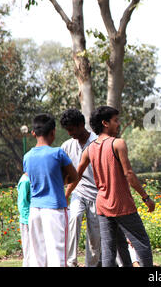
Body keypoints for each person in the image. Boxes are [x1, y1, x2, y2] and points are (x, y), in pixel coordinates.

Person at [76, 106, 155, 267]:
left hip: (103, 205)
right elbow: (129, 175)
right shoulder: (118, 144)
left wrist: (65, 193)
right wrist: (146, 198)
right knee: (142, 243)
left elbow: (76, 175)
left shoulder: (89, 148)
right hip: (122, 204)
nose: (119, 124)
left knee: (109, 250)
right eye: (116, 120)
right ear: (105, 123)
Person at [23, 113, 79, 267]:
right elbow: (74, 177)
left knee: (38, 257)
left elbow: (32, 177)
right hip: (55, 209)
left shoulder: (27, 157)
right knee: (58, 255)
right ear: (53, 132)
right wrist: (60, 180)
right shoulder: (58, 153)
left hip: (35, 210)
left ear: (33, 133)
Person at [60, 109, 100, 267]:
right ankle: (71, 262)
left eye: (71, 129)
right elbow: (62, 173)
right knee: (74, 218)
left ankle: (91, 264)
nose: (70, 133)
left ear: (81, 125)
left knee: (95, 235)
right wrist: (65, 192)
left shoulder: (97, 142)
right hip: (78, 192)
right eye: (67, 130)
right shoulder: (67, 146)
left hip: (97, 195)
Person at [17, 173, 31, 267]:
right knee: (29, 252)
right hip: (27, 221)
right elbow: (22, 203)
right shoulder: (25, 181)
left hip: (33, 219)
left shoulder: (31, 179)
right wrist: (28, 219)